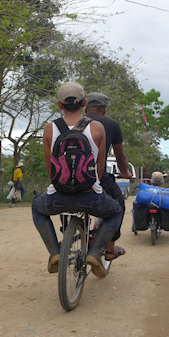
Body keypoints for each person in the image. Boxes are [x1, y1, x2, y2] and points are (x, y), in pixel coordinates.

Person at [31, 82, 124, 278]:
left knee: (36, 207)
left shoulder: (49, 129)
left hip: (58, 197)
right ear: (83, 103)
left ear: (59, 104)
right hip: (91, 197)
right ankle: (95, 253)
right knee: (116, 211)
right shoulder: (97, 127)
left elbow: (51, 170)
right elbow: (99, 168)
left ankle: (55, 254)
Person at [84, 92, 132, 260]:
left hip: (68, 178)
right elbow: (120, 157)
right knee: (118, 206)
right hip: (98, 178)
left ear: (85, 108)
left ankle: (67, 236)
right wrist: (125, 172)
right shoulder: (111, 124)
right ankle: (110, 249)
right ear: (104, 110)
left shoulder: (72, 122)